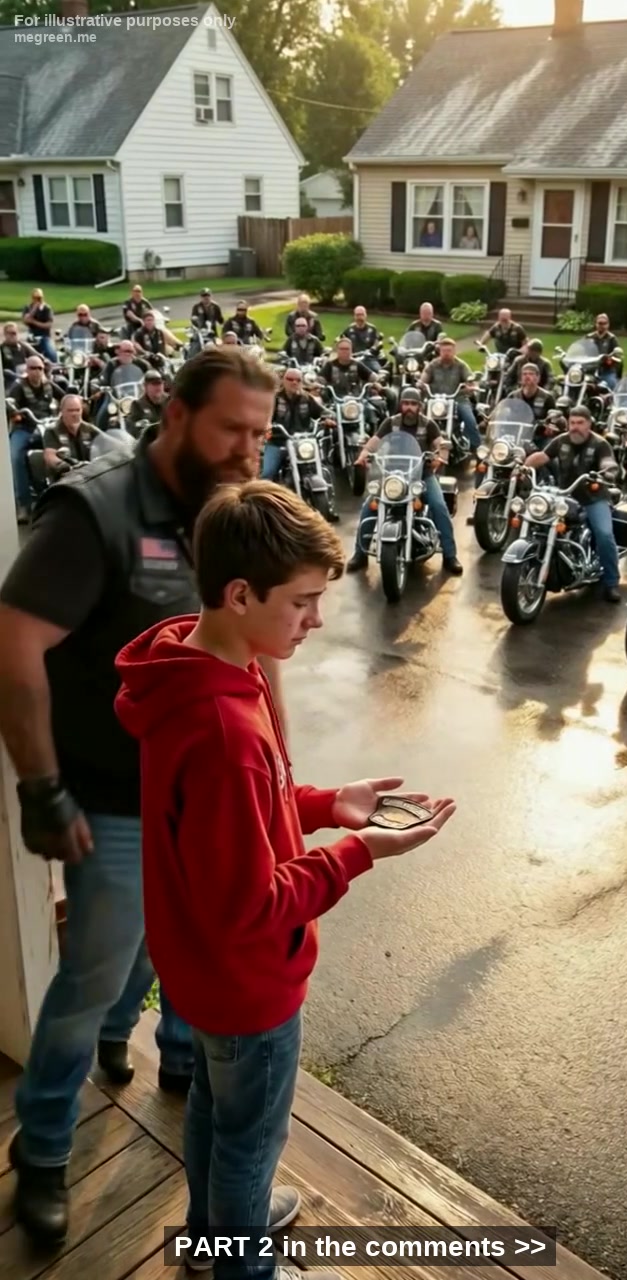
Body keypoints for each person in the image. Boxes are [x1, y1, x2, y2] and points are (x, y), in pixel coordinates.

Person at [113, 482, 455, 1280]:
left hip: (198, 968)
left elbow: (236, 819)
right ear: (240, 594)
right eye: (302, 602)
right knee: (250, 1144)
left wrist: (330, 804)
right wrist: (361, 850)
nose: (317, 619)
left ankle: (211, 1235)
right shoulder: (225, 728)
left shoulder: (196, 669)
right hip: (247, 984)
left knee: (214, 1108)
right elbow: (253, 903)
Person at [0, 347, 290, 1246]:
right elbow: (14, 644)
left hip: (206, 798)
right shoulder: (96, 511)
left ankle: (171, 1053)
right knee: (92, 976)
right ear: (175, 416)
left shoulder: (232, 507)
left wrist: (279, 770)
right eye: (232, 429)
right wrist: (41, 787)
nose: (249, 449)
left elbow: (255, 644)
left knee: (186, 949)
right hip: (118, 804)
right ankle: (43, 1148)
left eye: (261, 432)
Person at [346, 388, 463, 577]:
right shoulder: (391, 423)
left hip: (422, 475)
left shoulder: (428, 424)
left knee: (438, 505)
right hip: (392, 475)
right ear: (401, 405)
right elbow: (374, 442)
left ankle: (450, 556)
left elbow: (441, 444)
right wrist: (363, 455)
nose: (409, 408)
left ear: (420, 406)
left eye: (413, 404)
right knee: (369, 506)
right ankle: (360, 554)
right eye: (406, 403)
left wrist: (440, 457)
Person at [524, 405, 622, 603]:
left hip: (593, 498)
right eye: (572, 423)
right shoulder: (561, 441)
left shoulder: (600, 444)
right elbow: (542, 456)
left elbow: (608, 462)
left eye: (580, 423)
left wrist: (607, 472)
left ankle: (611, 582)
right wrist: (523, 466)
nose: (575, 427)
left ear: (589, 424)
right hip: (565, 496)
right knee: (538, 520)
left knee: (604, 534)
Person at [262, 368, 336, 521]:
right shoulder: (274, 399)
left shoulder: (306, 398)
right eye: (290, 379)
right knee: (268, 473)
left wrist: (328, 418)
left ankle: (327, 506)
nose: (294, 382)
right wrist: (267, 424)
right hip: (279, 442)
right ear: (283, 380)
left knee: (324, 469)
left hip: (302, 444)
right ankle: (264, 511)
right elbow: (265, 416)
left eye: (298, 380)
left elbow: (323, 412)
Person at [7, 356, 66, 522]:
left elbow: (65, 397)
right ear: (27, 370)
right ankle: (24, 505)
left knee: (63, 452)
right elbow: (10, 403)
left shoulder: (49, 384)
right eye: (33, 368)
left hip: (46, 428)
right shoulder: (18, 386)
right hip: (24, 429)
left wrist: (73, 402)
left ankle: (64, 495)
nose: (37, 371)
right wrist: (14, 412)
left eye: (40, 368)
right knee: (16, 457)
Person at [420, 336, 480, 450]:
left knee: (470, 420)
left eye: (449, 350)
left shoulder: (461, 365)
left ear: (454, 351)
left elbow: (470, 379)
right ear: (439, 351)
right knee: (419, 417)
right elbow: (424, 377)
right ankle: (419, 443)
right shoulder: (433, 365)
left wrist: (471, 386)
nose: (446, 353)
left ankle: (475, 448)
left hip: (457, 399)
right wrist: (421, 383)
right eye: (444, 351)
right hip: (436, 401)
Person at [42, 395, 94, 480]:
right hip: (65, 479)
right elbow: (50, 455)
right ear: (62, 411)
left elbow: (105, 442)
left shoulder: (89, 429)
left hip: (90, 475)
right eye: (70, 410)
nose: (74, 414)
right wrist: (62, 465)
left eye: (77, 410)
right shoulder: (52, 430)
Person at [126, 368, 168, 436]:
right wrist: (139, 426)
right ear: (145, 386)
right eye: (154, 384)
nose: (158, 387)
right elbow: (132, 428)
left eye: (160, 383)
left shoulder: (170, 400)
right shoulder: (138, 405)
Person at [586, 313, 620, 390]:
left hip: (606, 370)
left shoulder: (612, 339)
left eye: (604, 323)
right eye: (600, 323)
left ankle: (612, 396)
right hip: (590, 370)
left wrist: (610, 359)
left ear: (608, 325)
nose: (602, 326)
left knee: (612, 383)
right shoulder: (589, 337)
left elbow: (617, 355)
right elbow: (582, 351)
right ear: (596, 324)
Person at [22, 288, 57, 362]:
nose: (38, 300)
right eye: (35, 298)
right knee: (24, 353)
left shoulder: (47, 308)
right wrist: (34, 309)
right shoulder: (28, 307)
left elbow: (48, 324)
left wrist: (34, 322)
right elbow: (25, 320)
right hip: (32, 337)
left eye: (39, 298)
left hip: (44, 336)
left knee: (51, 354)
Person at [1, 321, 36, 387]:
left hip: (27, 375)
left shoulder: (23, 346)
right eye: (9, 333)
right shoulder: (1, 349)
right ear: (5, 334)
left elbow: (37, 356)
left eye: (14, 333)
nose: (12, 336)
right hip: (11, 379)